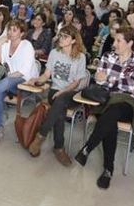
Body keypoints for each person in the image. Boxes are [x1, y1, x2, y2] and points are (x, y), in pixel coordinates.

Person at [74, 27, 134, 189]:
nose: (114, 44)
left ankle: (88, 147)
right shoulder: (107, 56)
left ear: (130, 43)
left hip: (127, 104)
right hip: (106, 100)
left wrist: (109, 78)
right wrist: (114, 80)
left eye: (118, 41)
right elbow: (99, 80)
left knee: (112, 112)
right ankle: (108, 169)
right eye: (114, 40)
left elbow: (132, 84)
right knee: (110, 121)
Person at [27, 26, 89, 164]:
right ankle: (59, 148)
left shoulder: (80, 57)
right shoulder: (54, 53)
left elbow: (76, 82)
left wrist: (64, 90)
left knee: (60, 102)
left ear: (73, 40)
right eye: (60, 36)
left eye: (65, 37)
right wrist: (37, 80)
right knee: (59, 107)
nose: (61, 39)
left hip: (72, 93)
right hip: (55, 92)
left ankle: (41, 136)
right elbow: (46, 75)